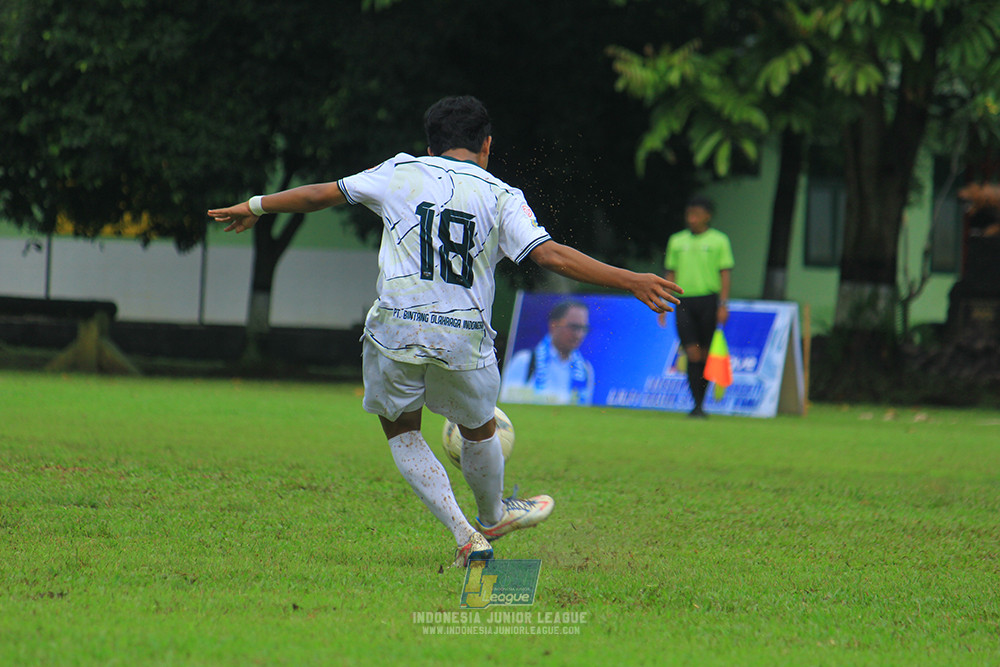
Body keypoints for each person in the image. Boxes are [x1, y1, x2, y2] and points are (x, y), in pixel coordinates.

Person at [209, 96, 681, 567]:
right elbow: (548, 254)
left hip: (396, 328)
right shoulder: (502, 194)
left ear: (430, 145)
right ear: (487, 145)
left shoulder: (400, 170)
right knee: (480, 428)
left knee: (401, 430)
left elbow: (319, 194)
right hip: (465, 337)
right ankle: (491, 516)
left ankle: (465, 534)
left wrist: (255, 206)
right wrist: (631, 280)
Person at [658, 196, 733, 418]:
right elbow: (670, 273)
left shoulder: (719, 240)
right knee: (692, 352)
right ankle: (696, 405)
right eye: (689, 214)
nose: (692, 219)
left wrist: (723, 304)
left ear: (707, 216)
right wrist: (663, 302)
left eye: (697, 215)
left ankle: (701, 404)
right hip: (684, 302)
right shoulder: (677, 241)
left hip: (708, 301)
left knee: (705, 353)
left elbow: (725, 273)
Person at [500, 300, 595, 405]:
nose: (579, 335)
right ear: (554, 325)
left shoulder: (585, 370)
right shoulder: (524, 361)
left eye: (583, 328)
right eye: (573, 327)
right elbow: (506, 403)